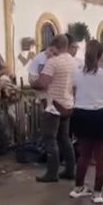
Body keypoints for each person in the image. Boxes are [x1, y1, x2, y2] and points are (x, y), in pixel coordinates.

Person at [69, 40, 103, 204]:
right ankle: (97, 194)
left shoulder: (77, 74)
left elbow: (74, 93)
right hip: (102, 114)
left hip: (82, 114)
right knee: (101, 157)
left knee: (84, 155)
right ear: (101, 56)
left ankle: (78, 188)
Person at [32, 34, 78, 182]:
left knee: (50, 138)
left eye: (51, 48)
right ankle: (70, 170)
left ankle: (52, 173)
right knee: (65, 138)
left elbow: (43, 84)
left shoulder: (53, 62)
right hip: (68, 104)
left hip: (53, 105)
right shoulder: (73, 62)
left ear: (55, 46)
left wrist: (33, 82)